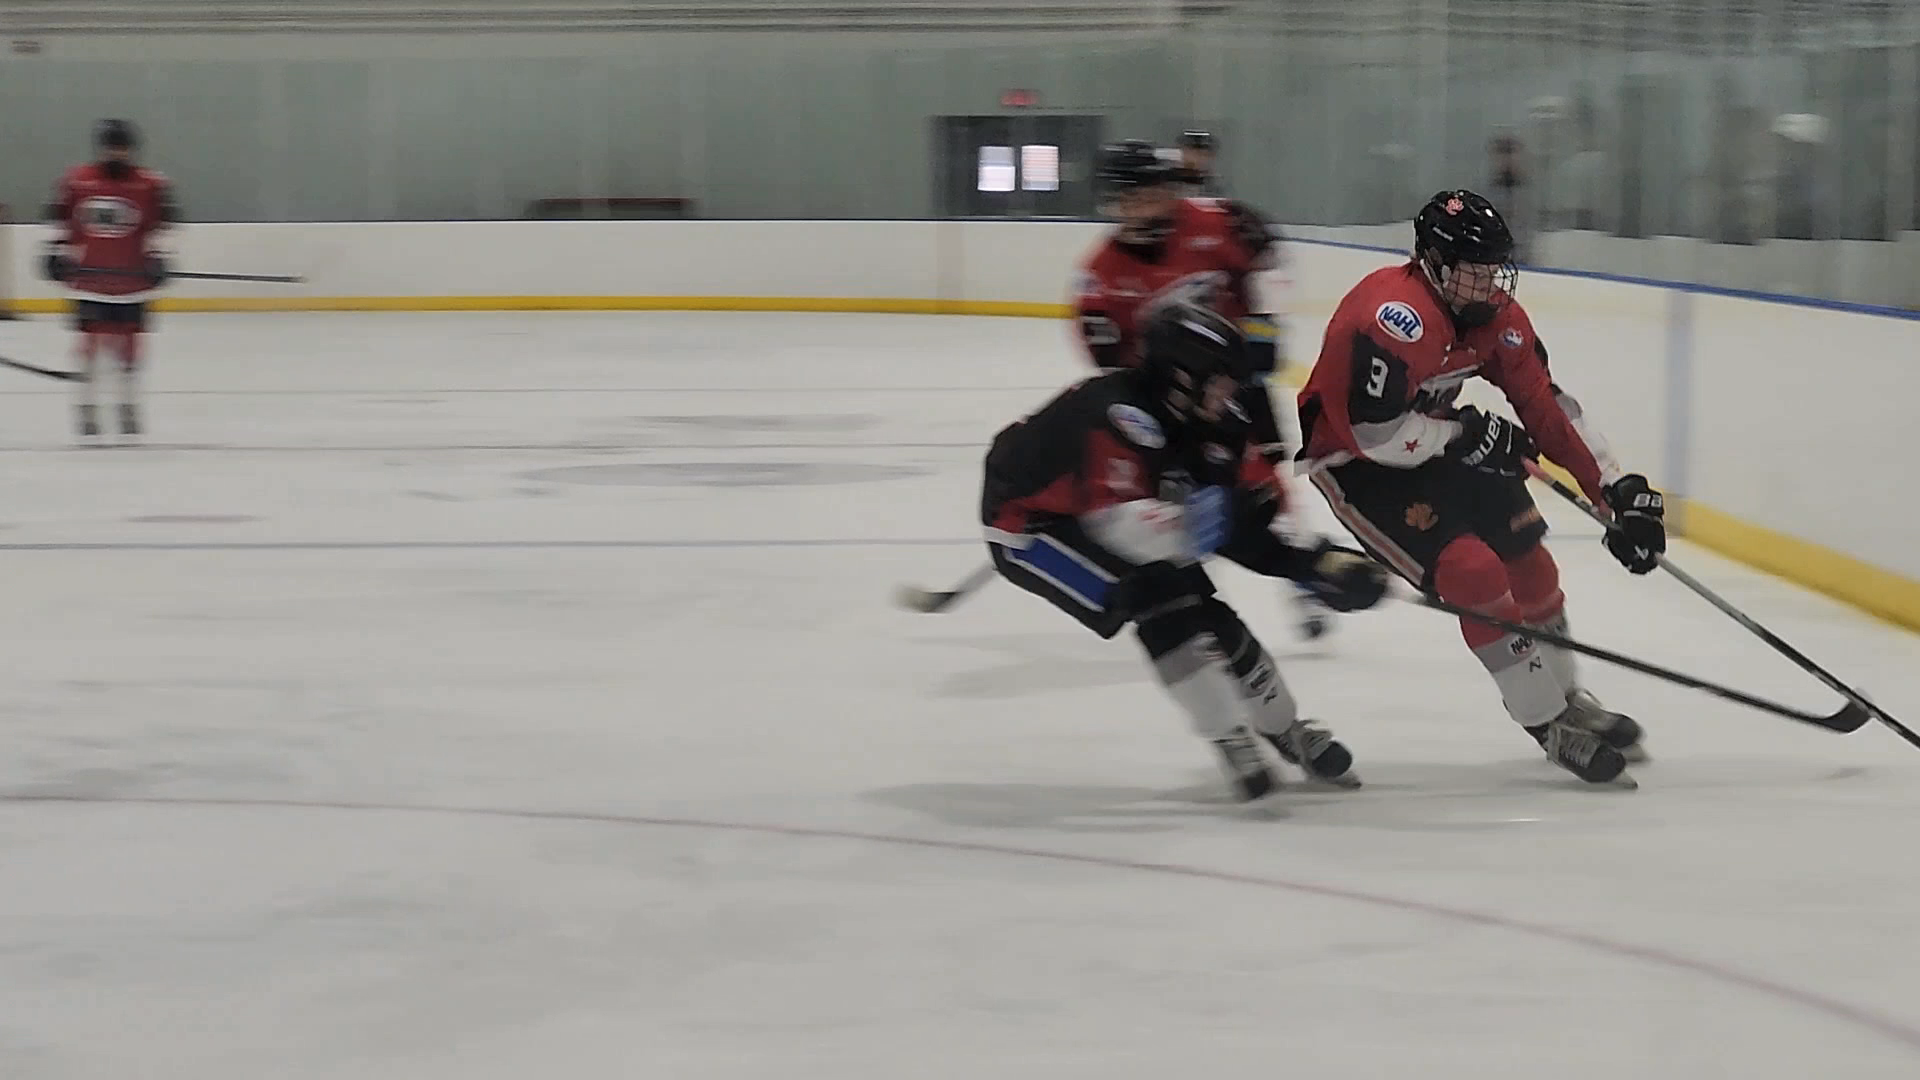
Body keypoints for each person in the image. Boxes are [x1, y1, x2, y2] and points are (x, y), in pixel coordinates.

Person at [1295, 189, 1666, 786]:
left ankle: (1569, 699)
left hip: (1440, 439)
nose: (1492, 284)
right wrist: (1467, 431)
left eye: (1496, 269)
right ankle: (1547, 722)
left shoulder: (1499, 319)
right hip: (1357, 461)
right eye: (1476, 270)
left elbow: (1546, 410)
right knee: (1475, 574)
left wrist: (1614, 489)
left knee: (1533, 566)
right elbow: (1374, 432)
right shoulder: (1396, 316)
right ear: (1434, 264)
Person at [981, 299, 1390, 800]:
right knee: (1156, 595)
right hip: (1030, 527)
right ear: (1180, 378)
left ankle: (1284, 726)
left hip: (1123, 511)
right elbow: (1131, 530)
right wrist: (1230, 522)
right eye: (1219, 381)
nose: (1230, 393)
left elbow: (1244, 525)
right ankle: (1228, 734)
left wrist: (1317, 563)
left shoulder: (1218, 421)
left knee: (1208, 608)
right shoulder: (1115, 418)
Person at [1072, 140, 1339, 639]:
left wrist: (1262, 332)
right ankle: (1182, 600)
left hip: (1236, 385)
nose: (1144, 207)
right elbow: (1110, 365)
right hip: (1172, 407)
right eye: (1131, 199)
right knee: (1192, 501)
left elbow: (1269, 266)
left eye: (1152, 194)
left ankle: (1300, 577)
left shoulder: (1217, 224)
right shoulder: (1100, 276)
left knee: (1267, 482)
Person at [42, 118, 177, 440]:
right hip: (90, 282)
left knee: (130, 347)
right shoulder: (77, 181)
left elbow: (163, 228)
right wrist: (55, 253)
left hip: (133, 285)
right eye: (111, 147)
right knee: (89, 345)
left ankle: (127, 402)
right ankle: (86, 405)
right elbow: (61, 222)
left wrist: (159, 258)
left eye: (123, 148)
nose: (117, 153)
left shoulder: (151, 185)